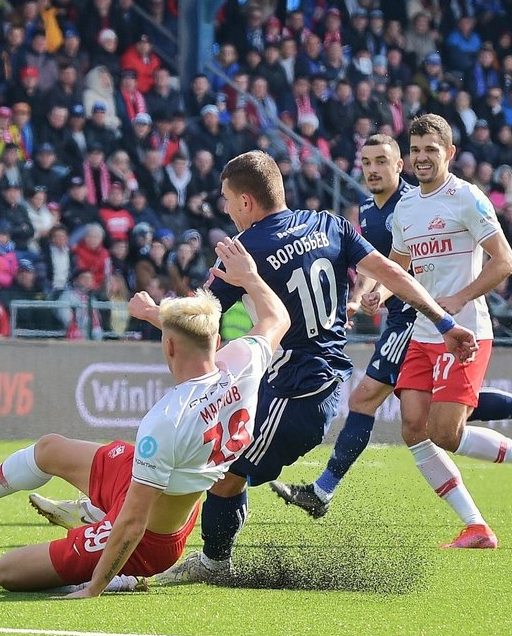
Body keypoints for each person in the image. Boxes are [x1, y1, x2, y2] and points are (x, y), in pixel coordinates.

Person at [38, 151, 479, 582]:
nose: (227, 210)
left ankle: (205, 562)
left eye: (228, 200)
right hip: (297, 382)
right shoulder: (328, 224)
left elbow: (199, 317)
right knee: (206, 456)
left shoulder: (245, 251)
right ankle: (116, 517)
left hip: (299, 392)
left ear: (246, 201)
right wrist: (443, 321)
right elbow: (390, 272)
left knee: (221, 472)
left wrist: (151, 311)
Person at [0, 235, 290, 595]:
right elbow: (277, 318)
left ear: (170, 346)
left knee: (8, 572)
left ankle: (119, 573)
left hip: (149, 537)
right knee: (50, 449)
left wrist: (94, 587)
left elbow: (131, 524)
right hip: (163, 493)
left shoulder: (167, 419)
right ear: (218, 340)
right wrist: (248, 279)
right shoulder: (244, 361)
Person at [271, 136, 512, 520]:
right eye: (366, 162)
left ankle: (323, 489)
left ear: (399, 165)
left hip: (417, 319)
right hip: (410, 320)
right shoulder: (369, 209)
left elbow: (462, 264)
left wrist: (397, 298)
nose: (372, 169)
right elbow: (383, 265)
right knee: (429, 419)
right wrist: (361, 298)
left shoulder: (413, 201)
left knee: (368, 401)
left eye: (381, 161)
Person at [386, 114, 512, 549]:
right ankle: (475, 526)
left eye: (431, 150)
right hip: (423, 333)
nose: (422, 158)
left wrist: (460, 298)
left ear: (449, 153)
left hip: (465, 331)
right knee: (413, 426)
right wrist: (372, 292)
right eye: (416, 151)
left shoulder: (467, 198)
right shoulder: (405, 208)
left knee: (446, 432)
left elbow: (504, 261)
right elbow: (397, 268)